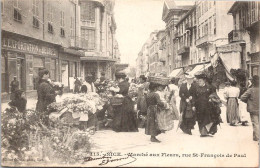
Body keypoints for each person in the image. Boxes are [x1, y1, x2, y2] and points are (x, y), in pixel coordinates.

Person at [241, 75, 259, 142]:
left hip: (253, 109)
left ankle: (257, 138)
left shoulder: (250, 90)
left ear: (253, 82)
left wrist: (248, 101)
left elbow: (242, 97)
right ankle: (255, 137)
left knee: (255, 124)